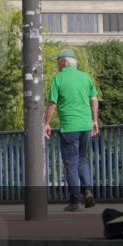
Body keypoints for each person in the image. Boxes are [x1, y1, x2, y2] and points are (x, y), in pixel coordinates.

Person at [43, 47, 99, 210]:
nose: (56, 65)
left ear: (63, 62)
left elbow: (52, 104)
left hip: (69, 128)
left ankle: (75, 202)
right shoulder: (85, 77)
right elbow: (94, 99)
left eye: (57, 61)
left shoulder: (58, 78)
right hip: (85, 126)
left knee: (71, 164)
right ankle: (87, 190)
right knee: (82, 160)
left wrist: (46, 123)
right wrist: (94, 120)